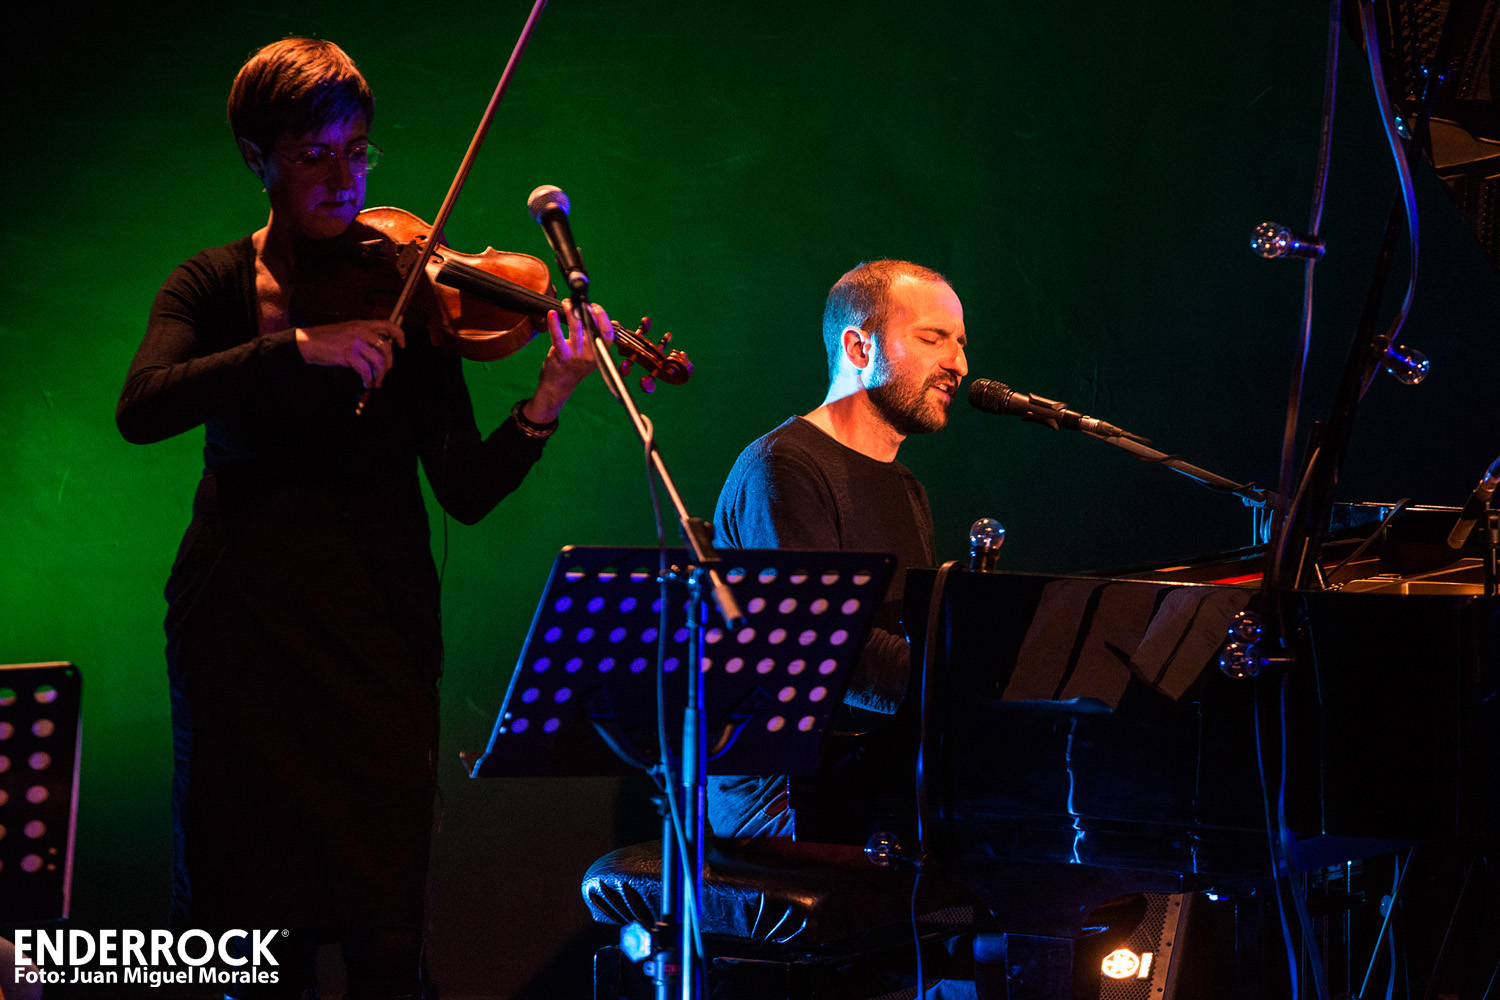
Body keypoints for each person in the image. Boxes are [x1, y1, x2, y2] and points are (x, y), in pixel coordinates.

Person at [116, 38, 612, 999]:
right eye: (314, 155)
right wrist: (299, 347)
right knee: (255, 949)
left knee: (388, 942)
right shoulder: (210, 284)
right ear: (257, 159)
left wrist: (546, 400)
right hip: (242, 643)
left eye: (357, 152)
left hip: (378, 644)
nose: (344, 179)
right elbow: (144, 406)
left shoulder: (408, 287)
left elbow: (463, 489)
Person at [709, 258, 967, 840]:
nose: (958, 364)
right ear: (858, 347)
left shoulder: (907, 487)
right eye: (933, 338)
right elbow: (821, 647)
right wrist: (969, 681)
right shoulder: (783, 468)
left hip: (870, 766)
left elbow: (907, 639)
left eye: (960, 343)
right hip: (785, 792)